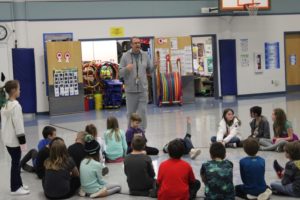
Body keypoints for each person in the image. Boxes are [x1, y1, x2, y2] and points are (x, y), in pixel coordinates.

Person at [119, 36, 156, 130]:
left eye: (139, 43)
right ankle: (130, 133)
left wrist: (154, 66)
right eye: (135, 43)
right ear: (131, 45)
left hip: (143, 90)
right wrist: (126, 69)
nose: (137, 45)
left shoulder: (145, 55)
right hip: (130, 91)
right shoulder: (125, 56)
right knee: (131, 113)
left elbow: (149, 70)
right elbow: (120, 73)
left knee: (142, 112)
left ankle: (142, 132)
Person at [0, 80, 30, 195]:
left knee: (15, 162)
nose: (20, 91)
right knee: (16, 163)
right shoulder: (16, 106)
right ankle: (15, 188)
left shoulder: (5, 104)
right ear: (13, 90)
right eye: (19, 88)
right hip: (15, 141)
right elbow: (19, 127)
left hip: (7, 140)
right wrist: (23, 143)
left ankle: (19, 184)